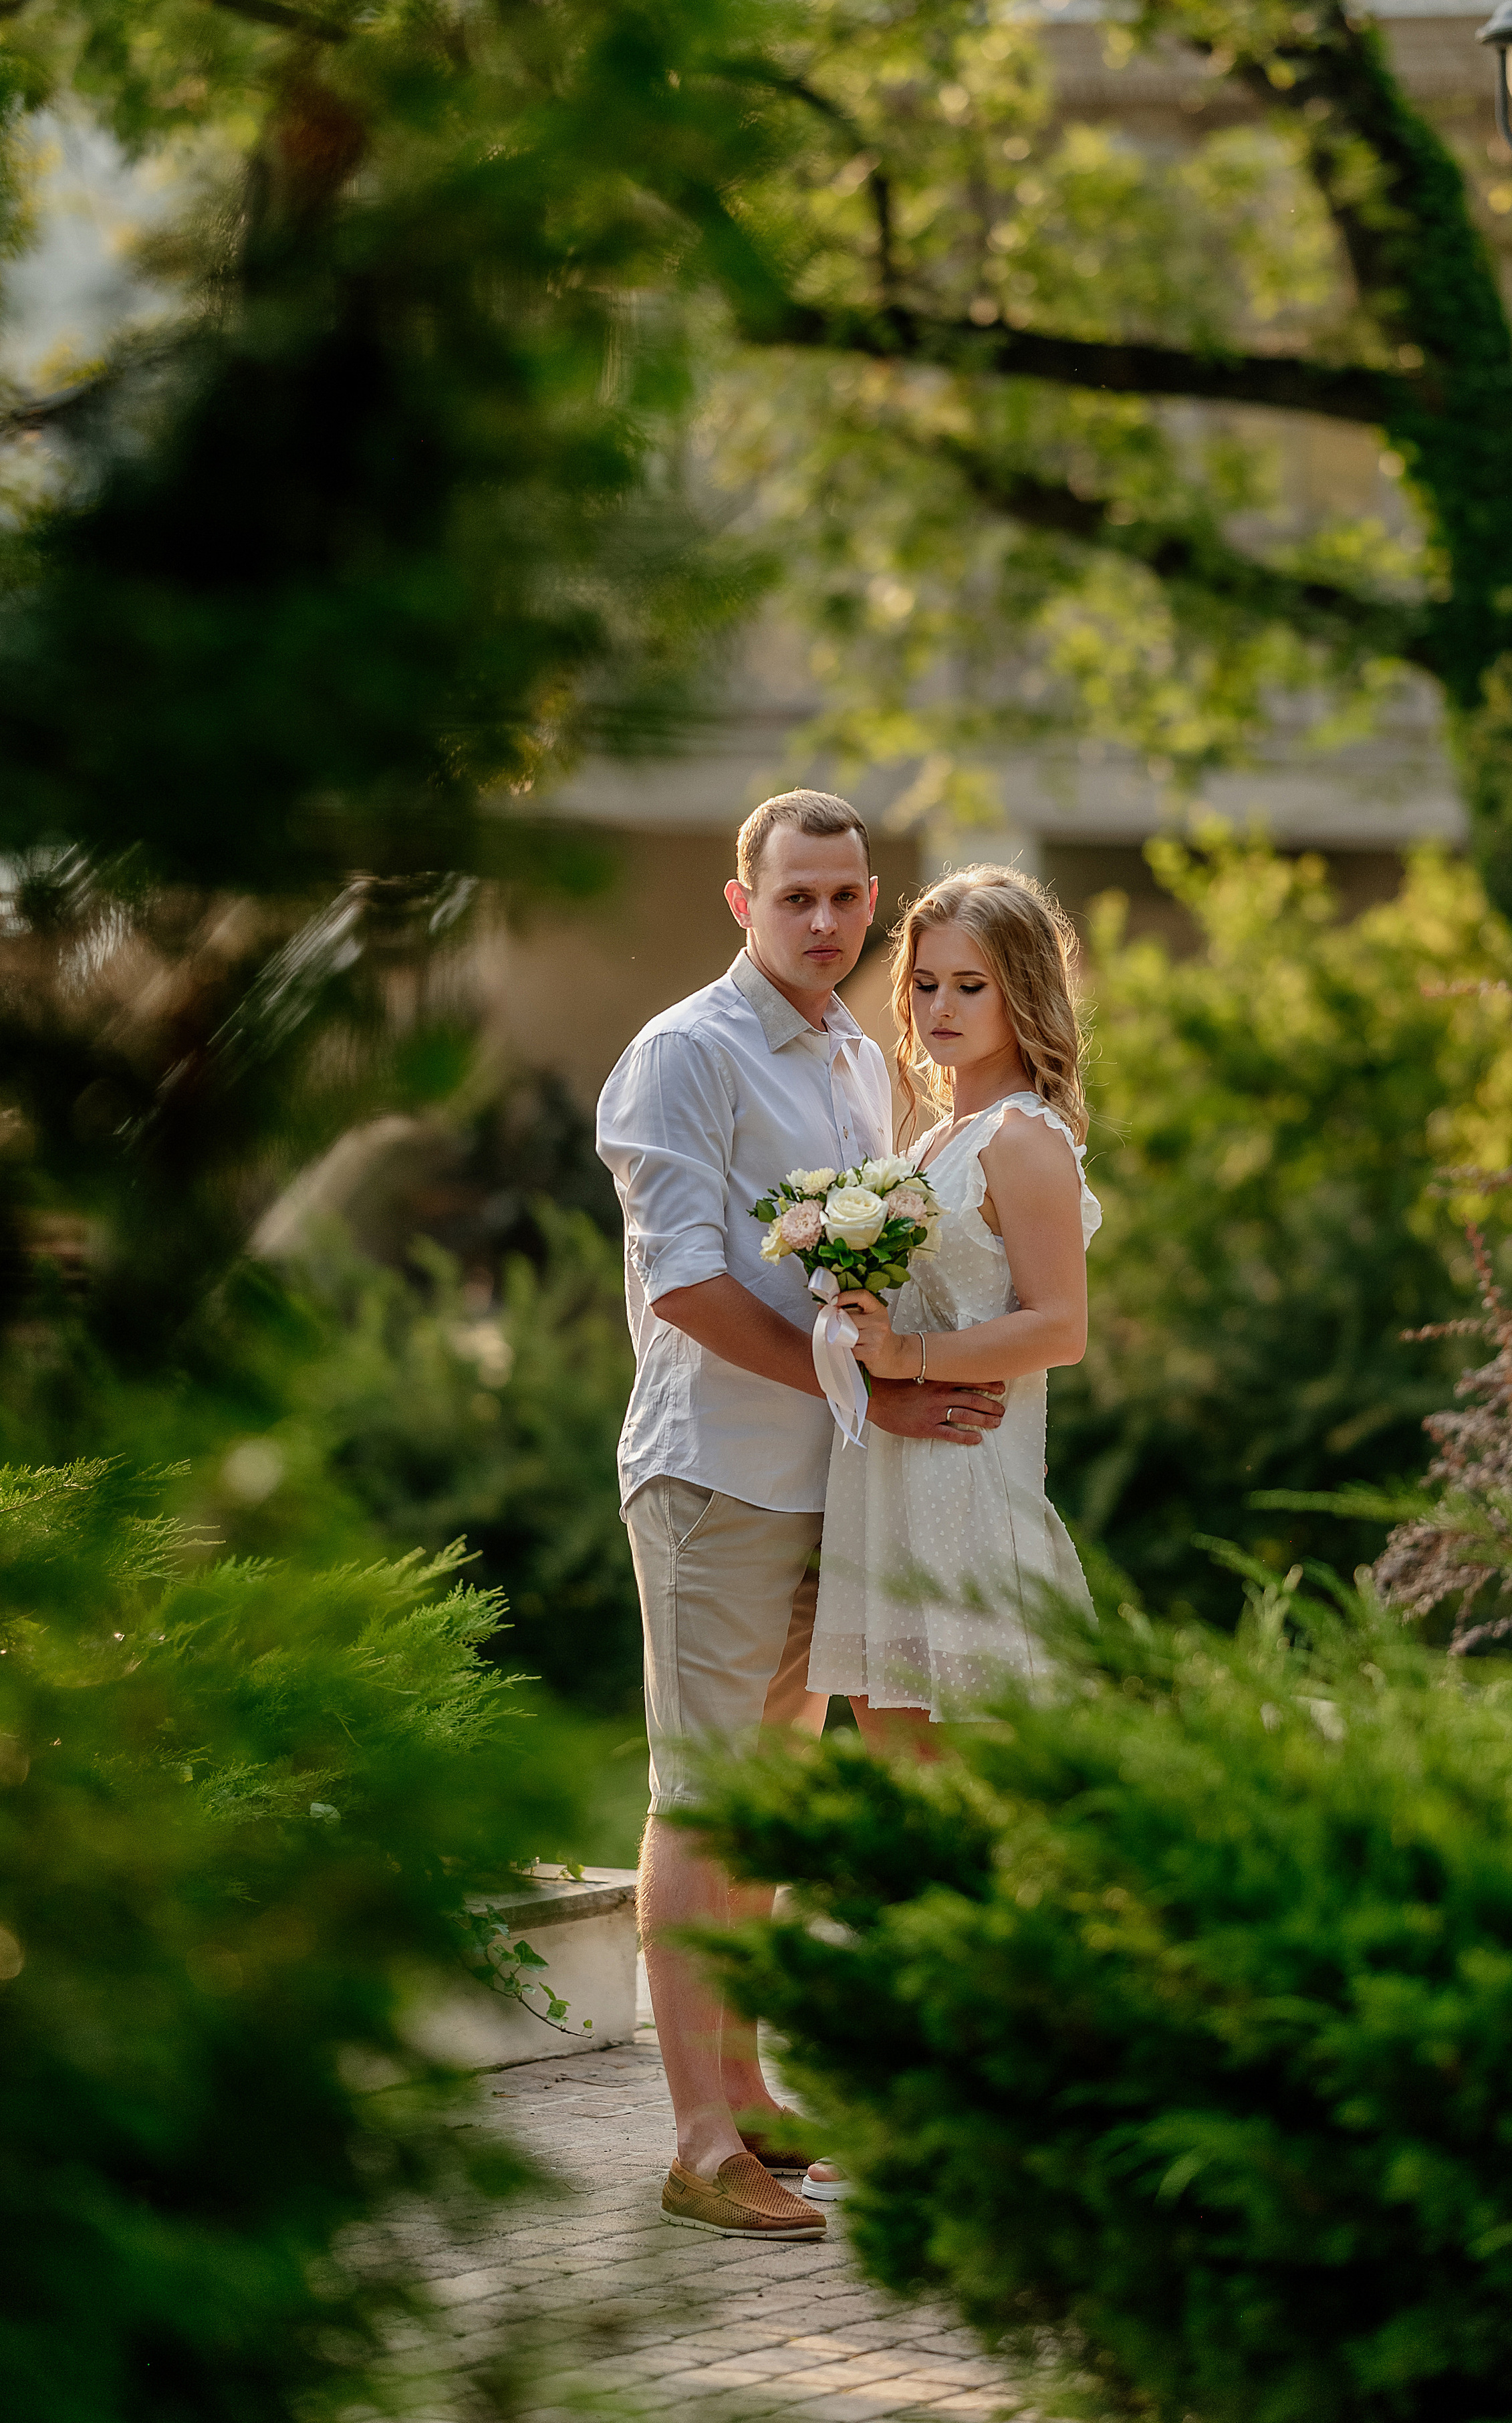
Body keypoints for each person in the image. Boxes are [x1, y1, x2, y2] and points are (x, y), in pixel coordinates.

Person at [595, 790, 1008, 2240]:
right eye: (795, 898)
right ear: (742, 903)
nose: (824, 922)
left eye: (845, 897)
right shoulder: (683, 1054)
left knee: (766, 1801)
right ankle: (697, 2145)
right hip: (713, 1479)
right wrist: (873, 1398)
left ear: (870, 901)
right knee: (701, 1797)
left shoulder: (858, 1054)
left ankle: (751, 2097)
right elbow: (686, 1288)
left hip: (829, 1482)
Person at [809, 862, 1100, 1737]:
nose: (942, 1007)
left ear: (1022, 992)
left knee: (975, 1777)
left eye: (970, 986)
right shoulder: (934, 1143)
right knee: (897, 1769)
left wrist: (907, 1356)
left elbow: (1062, 1327)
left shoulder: (1024, 1138)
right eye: (926, 983)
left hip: (967, 1484)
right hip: (888, 1479)